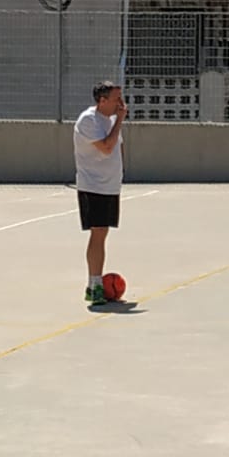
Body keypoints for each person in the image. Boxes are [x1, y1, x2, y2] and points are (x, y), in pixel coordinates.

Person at [73, 81, 127, 306]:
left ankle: (93, 284)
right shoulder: (89, 120)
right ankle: (94, 285)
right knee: (98, 233)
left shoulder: (111, 120)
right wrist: (120, 121)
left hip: (110, 186)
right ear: (102, 100)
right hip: (93, 185)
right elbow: (106, 147)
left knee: (102, 234)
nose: (121, 104)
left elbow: (117, 148)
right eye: (116, 99)